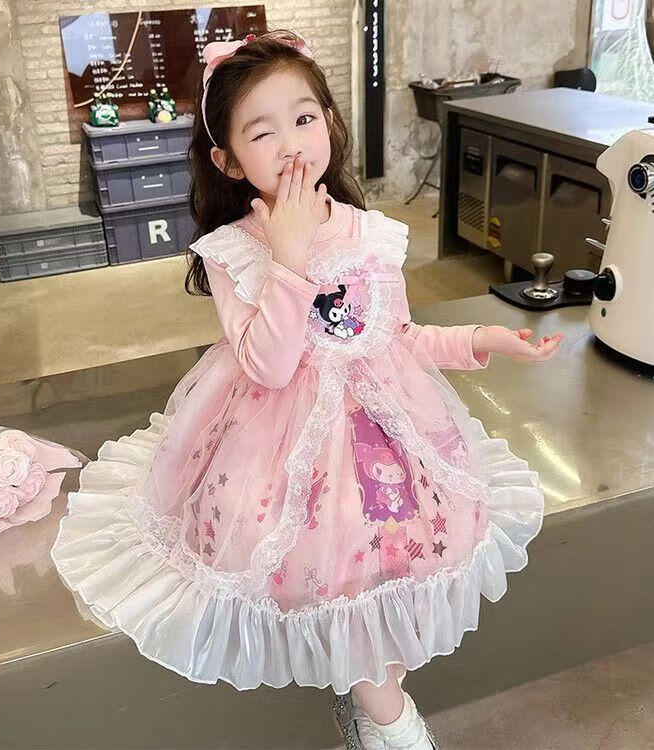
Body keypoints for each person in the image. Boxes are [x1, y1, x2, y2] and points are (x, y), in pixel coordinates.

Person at [52, 30, 564, 750]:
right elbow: (267, 365)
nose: (291, 144)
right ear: (229, 160)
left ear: (329, 121)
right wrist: (288, 256)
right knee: (316, 571)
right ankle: (390, 721)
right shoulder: (234, 249)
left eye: (303, 118)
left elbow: (397, 337)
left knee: (390, 565)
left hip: (382, 437)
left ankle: (371, 705)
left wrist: (482, 339)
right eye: (263, 132)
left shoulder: (373, 234)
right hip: (276, 446)